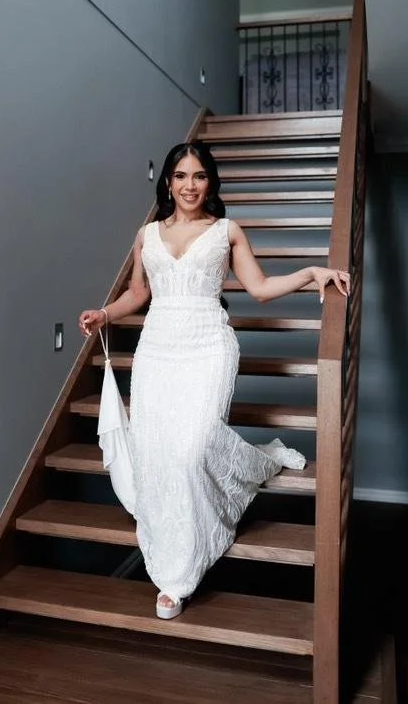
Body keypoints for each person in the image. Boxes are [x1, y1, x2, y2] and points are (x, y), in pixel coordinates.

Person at [79, 141, 350, 620]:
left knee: (196, 445)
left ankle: (211, 527)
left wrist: (311, 273)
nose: (190, 185)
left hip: (208, 346)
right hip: (157, 349)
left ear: (211, 182)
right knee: (161, 451)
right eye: (181, 176)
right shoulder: (146, 234)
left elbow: (260, 289)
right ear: (168, 182)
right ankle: (173, 572)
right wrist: (104, 312)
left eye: (199, 176)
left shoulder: (227, 231)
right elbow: (138, 292)